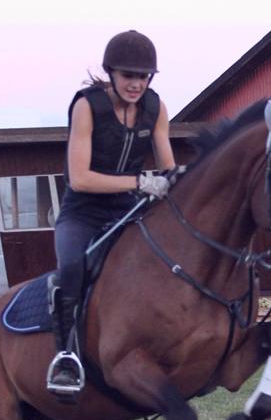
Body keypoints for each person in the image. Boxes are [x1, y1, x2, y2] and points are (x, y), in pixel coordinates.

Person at [46, 30, 177, 400]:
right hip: (83, 213)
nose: (136, 84)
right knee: (72, 269)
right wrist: (140, 181)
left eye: (143, 77)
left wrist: (178, 179)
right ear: (111, 73)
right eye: (128, 76)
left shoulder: (156, 108)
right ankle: (67, 357)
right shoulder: (87, 107)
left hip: (128, 209)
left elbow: (168, 167)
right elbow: (80, 178)